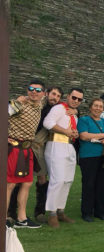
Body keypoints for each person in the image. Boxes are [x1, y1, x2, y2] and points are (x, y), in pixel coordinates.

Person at [9, 86, 65, 224]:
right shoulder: (34, 103)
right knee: (15, 181)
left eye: (58, 96)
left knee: (40, 179)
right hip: (22, 145)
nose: (55, 98)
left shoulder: (57, 109)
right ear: (46, 94)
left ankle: (39, 212)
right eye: (53, 94)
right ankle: (10, 213)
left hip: (39, 146)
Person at [7, 79, 46, 228]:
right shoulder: (19, 103)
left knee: (27, 183)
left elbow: (53, 101)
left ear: (43, 94)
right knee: (9, 184)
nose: (33, 92)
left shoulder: (40, 105)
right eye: (31, 89)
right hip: (14, 147)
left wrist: (73, 111)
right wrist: (16, 102)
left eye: (37, 90)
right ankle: (3, 218)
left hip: (28, 149)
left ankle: (21, 219)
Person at [43, 88, 83, 228]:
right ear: (68, 96)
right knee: (57, 179)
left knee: (67, 180)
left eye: (79, 99)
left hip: (69, 146)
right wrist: (65, 131)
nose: (76, 101)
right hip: (56, 145)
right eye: (74, 97)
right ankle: (52, 214)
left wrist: (73, 133)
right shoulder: (59, 108)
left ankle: (61, 210)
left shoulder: (74, 115)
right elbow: (47, 123)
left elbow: (69, 129)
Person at [77, 98, 104, 222]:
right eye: (95, 106)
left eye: (100, 106)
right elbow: (83, 135)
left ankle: (99, 211)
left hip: (103, 156)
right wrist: (103, 136)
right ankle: (86, 212)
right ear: (90, 107)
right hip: (88, 156)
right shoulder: (84, 120)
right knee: (89, 184)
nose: (98, 108)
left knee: (102, 185)